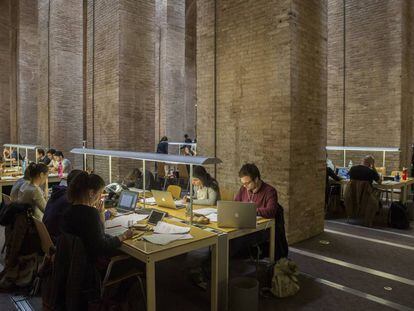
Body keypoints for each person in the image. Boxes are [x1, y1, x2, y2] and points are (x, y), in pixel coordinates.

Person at [62, 172, 133, 260]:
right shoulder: (90, 213)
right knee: (137, 261)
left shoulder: (69, 210)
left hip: (74, 263)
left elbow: (99, 237)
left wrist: (101, 214)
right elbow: (101, 247)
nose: (100, 197)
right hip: (94, 267)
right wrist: (123, 236)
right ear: (91, 193)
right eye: (99, 193)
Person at [234, 163, 288, 260]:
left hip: (261, 230)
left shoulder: (270, 191)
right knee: (228, 239)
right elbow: (236, 204)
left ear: (256, 179)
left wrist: (252, 210)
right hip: (245, 226)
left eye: (247, 183)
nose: (245, 186)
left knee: (236, 242)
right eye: (243, 183)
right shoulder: (243, 189)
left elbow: (271, 211)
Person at [43, 169, 82, 242]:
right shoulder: (69, 200)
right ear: (80, 186)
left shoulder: (59, 194)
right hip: (58, 242)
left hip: (49, 238)